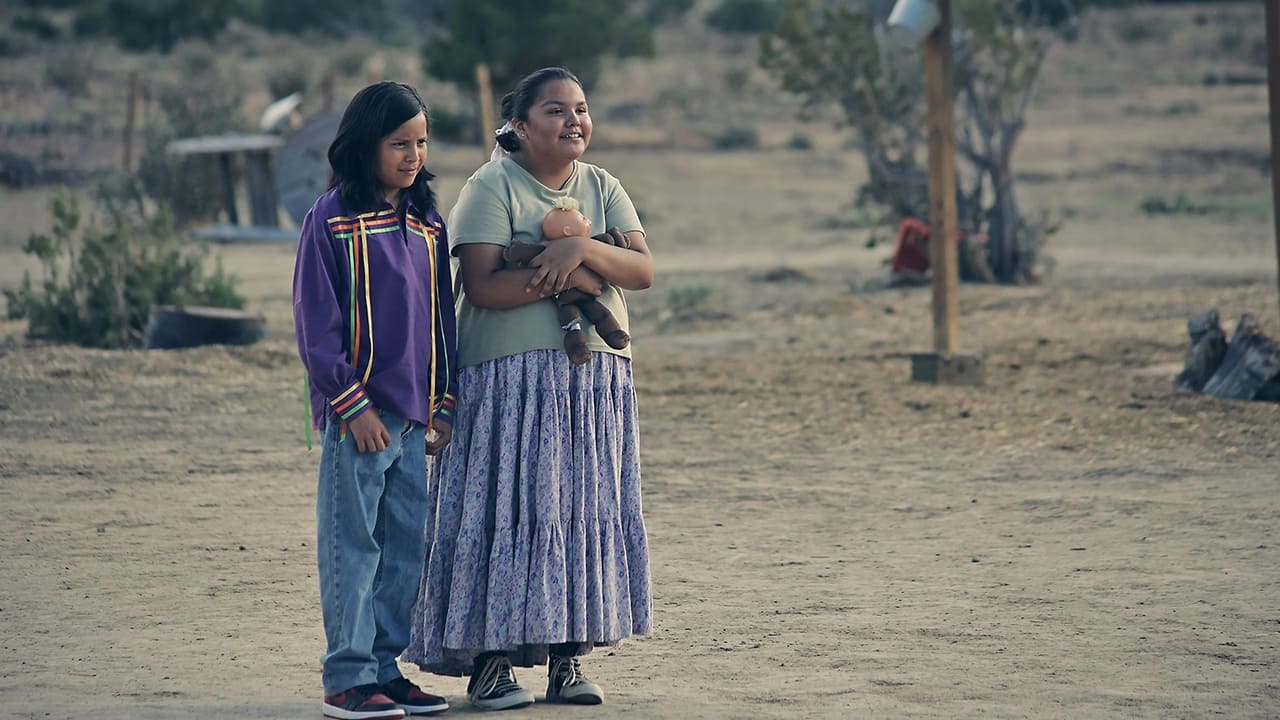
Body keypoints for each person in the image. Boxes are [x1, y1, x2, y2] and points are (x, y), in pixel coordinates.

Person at [404, 67, 654, 711]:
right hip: (508, 379)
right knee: (505, 509)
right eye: (555, 111)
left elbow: (643, 270)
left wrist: (582, 255)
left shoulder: (604, 185)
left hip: (592, 379)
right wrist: (583, 264)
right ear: (518, 125)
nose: (574, 121)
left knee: (575, 509)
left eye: (581, 108)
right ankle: (491, 663)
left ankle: (568, 659)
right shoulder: (491, 186)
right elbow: (484, 286)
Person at [293, 81, 456, 720]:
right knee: (353, 547)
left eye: (421, 142)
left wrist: (443, 404)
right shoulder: (329, 217)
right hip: (360, 419)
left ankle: (386, 670)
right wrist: (353, 407)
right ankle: (348, 679)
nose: (413, 155)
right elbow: (316, 323)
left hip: (415, 420)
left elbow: (441, 318)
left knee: (404, 550)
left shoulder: (427, 223)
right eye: (399, 143)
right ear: (366, 145)